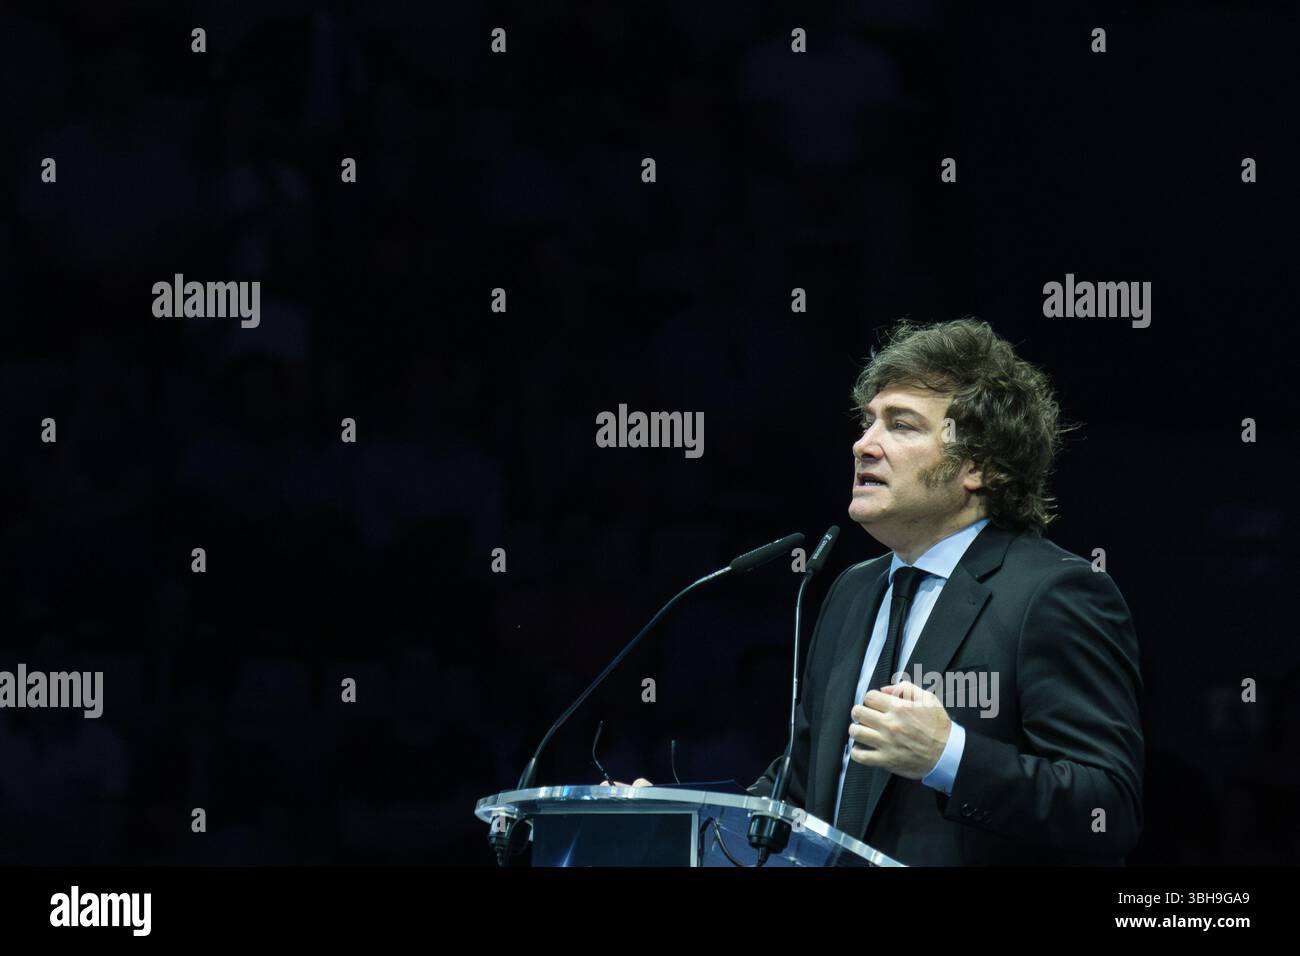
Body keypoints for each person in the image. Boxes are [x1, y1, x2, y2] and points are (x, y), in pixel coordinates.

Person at [742, 317, 1144, 865]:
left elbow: (1108, 809)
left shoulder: (1054, 593)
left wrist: (947, 756)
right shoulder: (851, 591)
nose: (864, 444)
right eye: (867, 422)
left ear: (976, 465)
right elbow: (803, 785)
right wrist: (677, 816)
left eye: (901, 425)